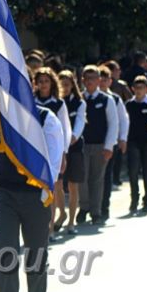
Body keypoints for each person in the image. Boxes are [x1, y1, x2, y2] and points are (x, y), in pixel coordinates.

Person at [0, 100, 63, 292]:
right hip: (6, 194)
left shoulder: (46, 118)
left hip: (35, 194)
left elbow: (54, 160)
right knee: (5, 252)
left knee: (36, 255)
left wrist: (45, 191)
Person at [32, 67, 71, 235]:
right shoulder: (31, 102)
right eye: (40, 81)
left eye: (46, 81)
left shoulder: (59, 104)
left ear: (52, 83)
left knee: (52, 188)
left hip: (53, 151)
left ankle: (50, 229)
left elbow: (65, 130)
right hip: (36, 150)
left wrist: (63, 154)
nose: (43, 84)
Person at [77, 65, 117, 225]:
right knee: (82, 179)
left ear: (99, 80)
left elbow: (113, 124)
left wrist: (109, 146)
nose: (90, 81)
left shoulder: (107, 99)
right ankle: (83, 208)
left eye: (94, 78)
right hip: (82, 146)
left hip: (101, 145)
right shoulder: (79, 98)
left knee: (97, 179)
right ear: (83, 80)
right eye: (87, 78)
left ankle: (96, 211)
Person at [98, 65, 129, 220]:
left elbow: (123, 120)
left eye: (105, 80)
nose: (102, 83)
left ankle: (104, 207)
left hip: (110, 142)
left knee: (106, 175)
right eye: (100, 79)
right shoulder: (87, 97)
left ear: (110, 81)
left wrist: (122, 138)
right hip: (93, 142)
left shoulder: (115, 99)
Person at [124, 76, 147, 213]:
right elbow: (125, 121)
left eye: (142, 88)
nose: (139, 90)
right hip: (132, 141)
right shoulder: (129, 104)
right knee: (133, 171)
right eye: (137, 88)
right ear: (133, 89)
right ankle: (134, 200)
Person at [58, 70, 86, 234]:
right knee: (57, 185)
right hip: (57, 149)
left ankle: (71, 222)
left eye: (67, 84)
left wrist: (72, 138)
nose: (64, 88)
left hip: (74, 148)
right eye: (61, 84)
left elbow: (79, 124)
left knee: (73, 185)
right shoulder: (55, 102)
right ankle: (61, 214)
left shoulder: (79, 103)